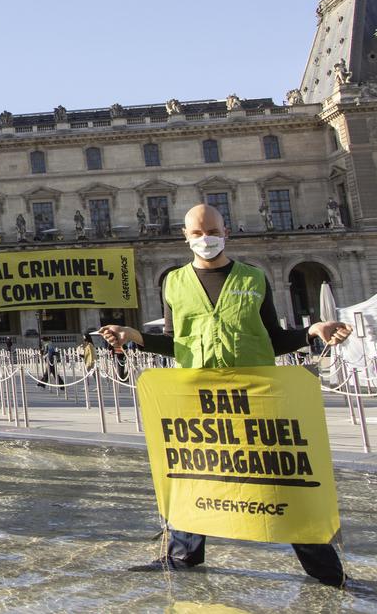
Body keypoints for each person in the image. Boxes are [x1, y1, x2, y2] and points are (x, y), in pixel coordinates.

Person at [100, 203, 353, 587]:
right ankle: (183, 556)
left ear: (226, 231)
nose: (205, 239)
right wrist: (134, 336)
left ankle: (326, 570)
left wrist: (312, 331)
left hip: (256, 396)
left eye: (211, 230)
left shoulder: (254, 279)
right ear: (184, 237)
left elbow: (274, 339)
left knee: (281, 478)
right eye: (197, 233)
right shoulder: (174, 283)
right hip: (199, 396)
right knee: (193, 472)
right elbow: (174, 343)